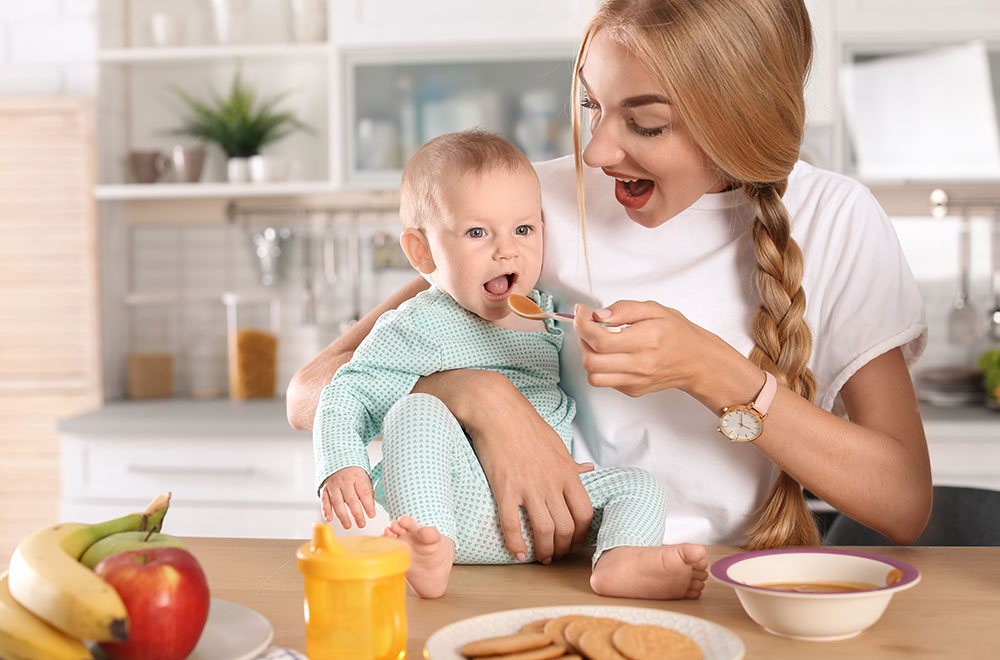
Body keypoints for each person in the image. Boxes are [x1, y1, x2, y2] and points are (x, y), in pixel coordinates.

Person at [289, 0, 932, 562]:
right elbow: (312, 393)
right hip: (545, 575)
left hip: (730, 583)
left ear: (742, 115)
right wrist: (481, 398)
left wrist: (712, 372)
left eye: (645, 124)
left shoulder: (837, 219)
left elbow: (903, 502)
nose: (596, 152)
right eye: (592, 105)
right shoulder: (528, 208)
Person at [314, 129, 707, 600]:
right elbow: (347, 392)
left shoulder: (545, 315)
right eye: (477, 233)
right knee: (411, 412)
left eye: (524, 229)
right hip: (461, 509)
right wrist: (341, 464)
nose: (507, 250)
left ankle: (621, 560)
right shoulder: (420, 324)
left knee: (639, 486)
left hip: (553, 513)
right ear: (423, 252)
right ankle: (427, 547)